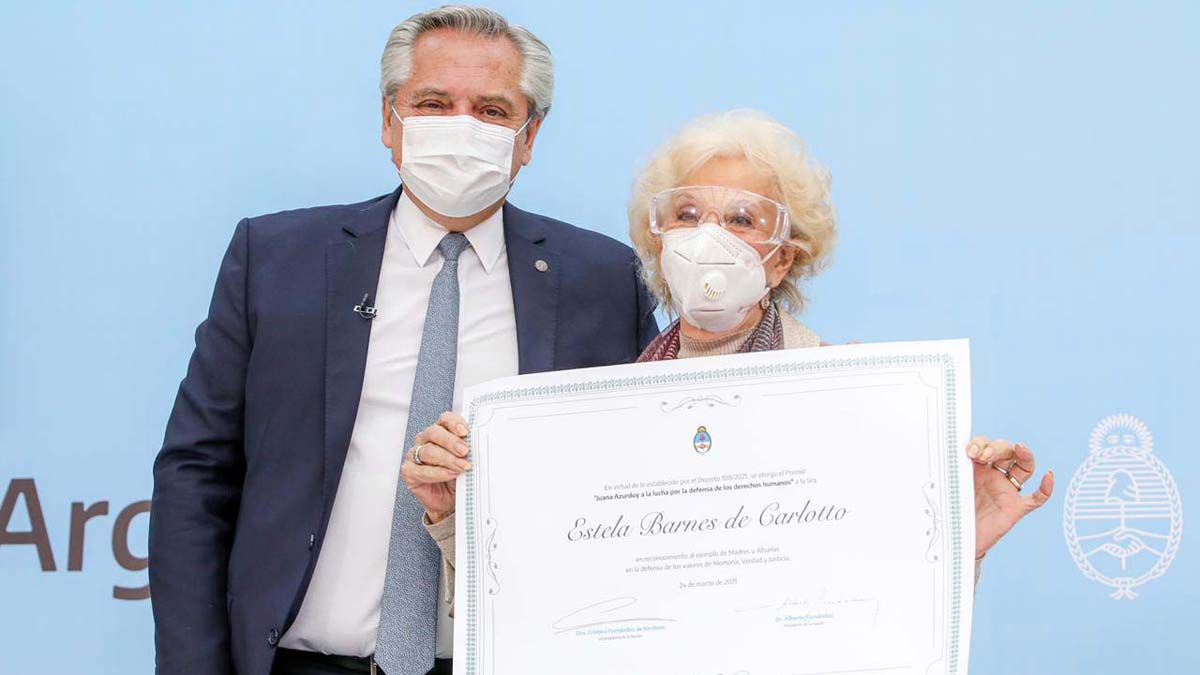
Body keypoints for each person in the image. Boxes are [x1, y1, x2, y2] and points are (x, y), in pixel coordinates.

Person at [148, 6, 658, 675]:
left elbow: (636, 486)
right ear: (390, 121)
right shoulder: (277, 259)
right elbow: (196, 475)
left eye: (492, 111)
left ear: (529, 137)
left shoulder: (603, 281)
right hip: (300, 661)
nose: (461, 128)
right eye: (433, 104)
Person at [402, 109, 1054, 612]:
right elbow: (537, 599)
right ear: (659, 242)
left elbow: (886, 602)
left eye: (742, 218)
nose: (708, 236)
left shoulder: (847, 393)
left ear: (782, 257)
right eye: (687, 213)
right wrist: (454, 513)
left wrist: (961, 538)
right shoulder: (600, 405)